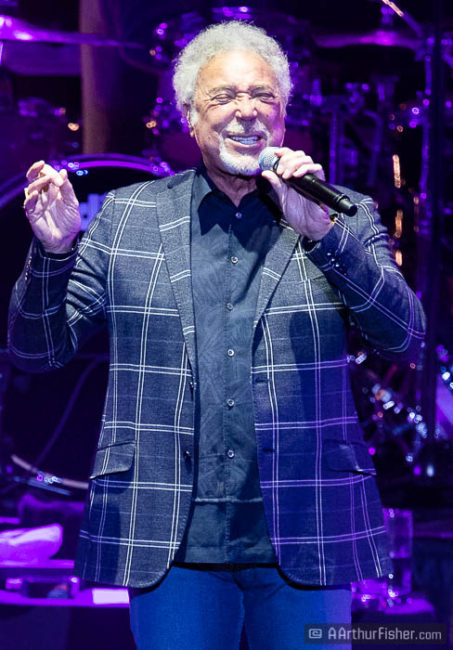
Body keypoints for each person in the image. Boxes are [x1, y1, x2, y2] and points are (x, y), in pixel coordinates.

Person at [9, 20, 425, 650]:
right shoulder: (127, 217)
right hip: (170, 543)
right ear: (189, 117)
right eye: (224, 97)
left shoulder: (342, 212)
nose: (246, 112)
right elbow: (37, 350)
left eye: (262, 97)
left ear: (282, 115)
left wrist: (325, 237)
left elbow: (406, 340)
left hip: (308, 530)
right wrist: (53, 253)